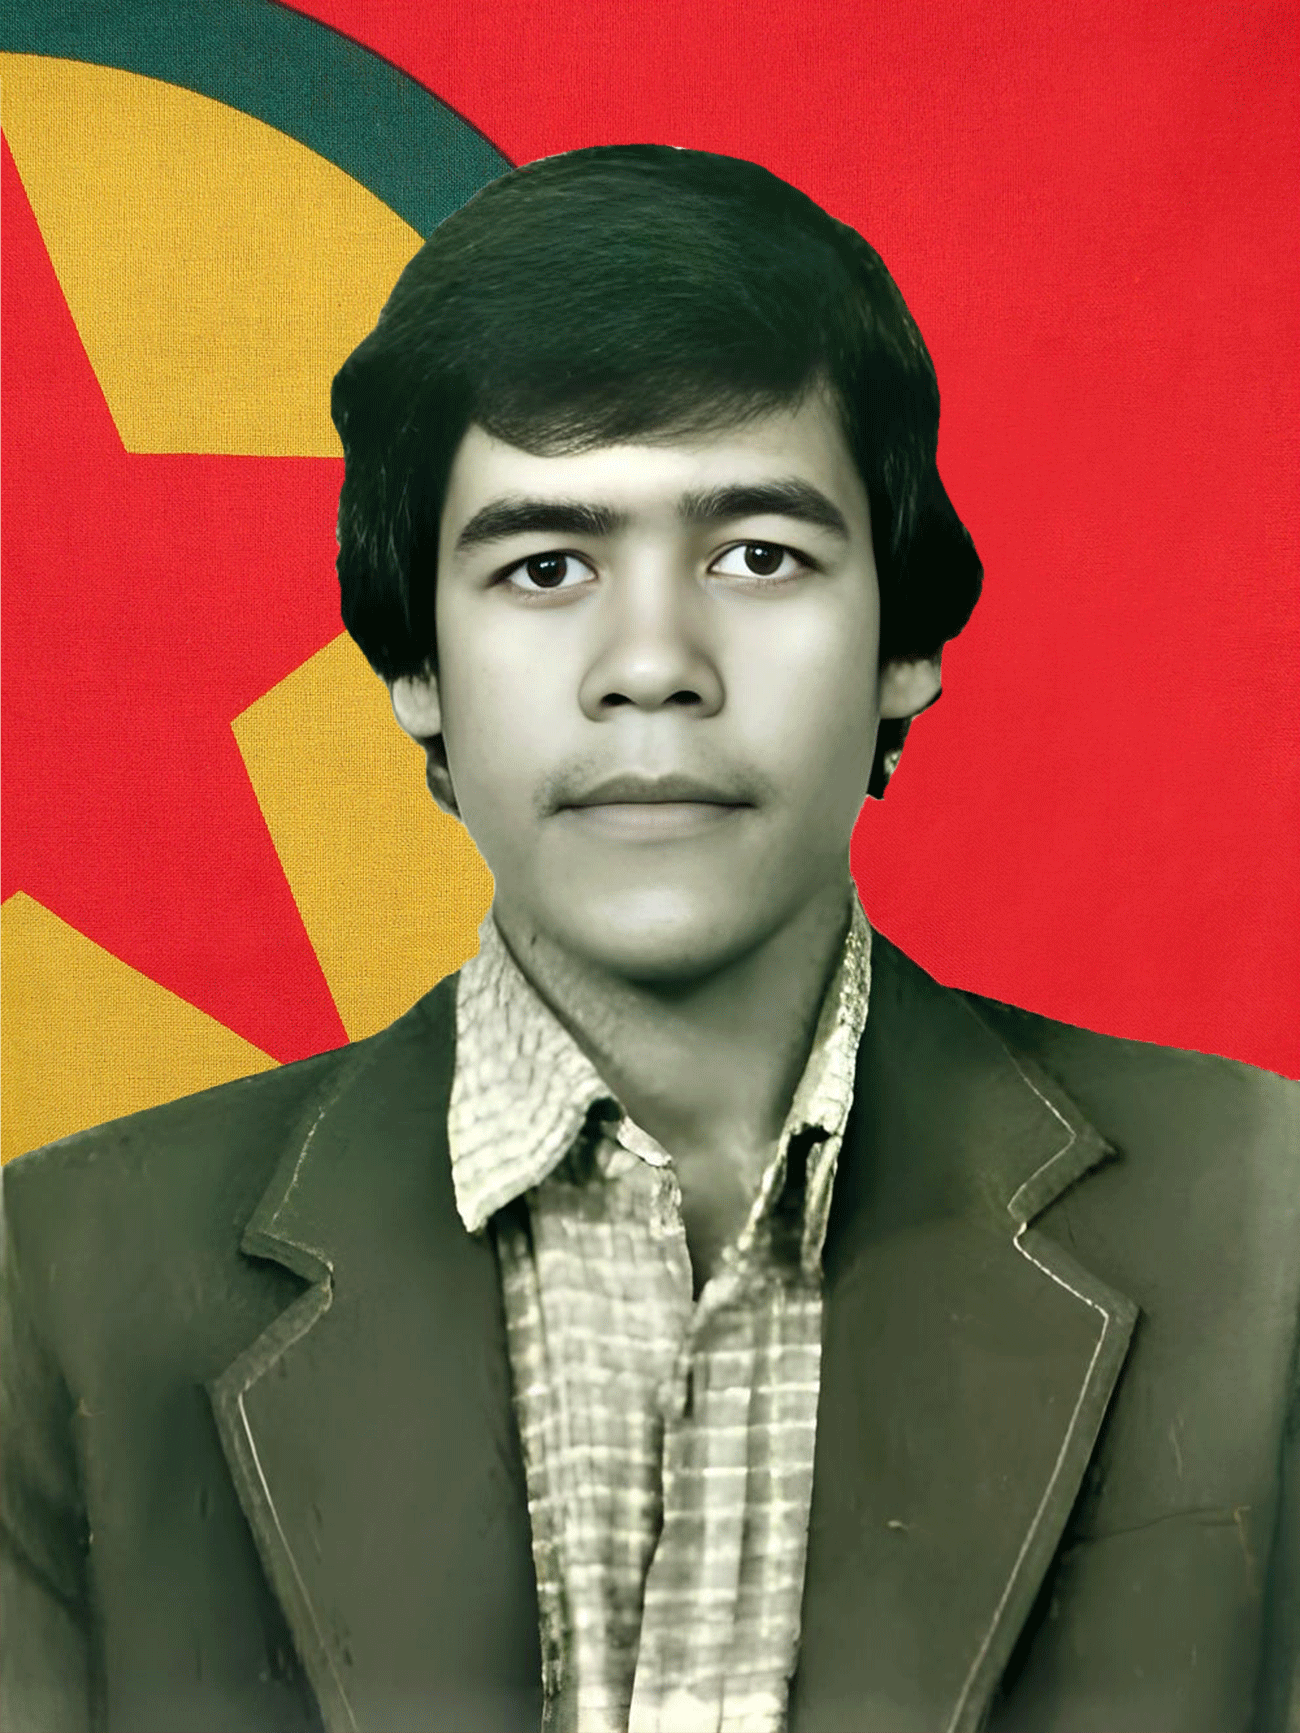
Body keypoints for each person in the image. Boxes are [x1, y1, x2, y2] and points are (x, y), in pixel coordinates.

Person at [2, 145, 1296, 1733]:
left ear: (904, 643)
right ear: (416, 667)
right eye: (546, 567)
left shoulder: (1265, 1219)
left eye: (758, 555)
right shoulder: (58, 1278)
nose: (653, 664)